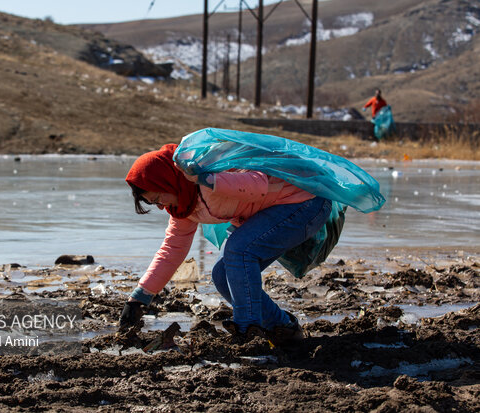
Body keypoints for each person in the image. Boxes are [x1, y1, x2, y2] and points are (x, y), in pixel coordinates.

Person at [118, 143, 333, 344]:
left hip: (306, 203)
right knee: (221, 275)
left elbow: (258, 183)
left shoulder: (206, 173)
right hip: (272, 211)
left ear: (167, 181)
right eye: (153, 203)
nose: (159, 206)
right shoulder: (183, 207)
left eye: (157, 198)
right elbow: (172, 249)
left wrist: (210, 180)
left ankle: (247, 331)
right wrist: (139, 298)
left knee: (239, 251)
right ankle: (283, 328)